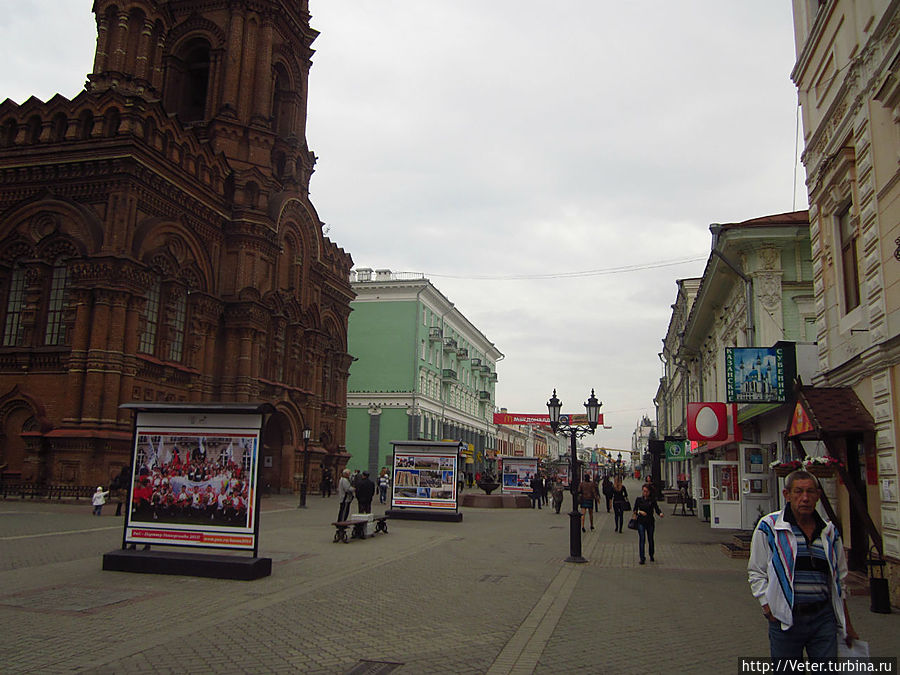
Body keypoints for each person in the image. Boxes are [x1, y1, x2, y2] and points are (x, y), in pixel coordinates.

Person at [748, 470, 858, 660]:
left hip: (823, 618)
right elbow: (756, 571)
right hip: (785, 618)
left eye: (810, 492)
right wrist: (767, 606)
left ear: (818, 495)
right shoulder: (771, 527)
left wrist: (846, 624)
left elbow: (839, 580)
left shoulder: (829, 531)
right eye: (798, 491)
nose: (805, 498)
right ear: (787, 495)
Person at [633, 482, 663, 564]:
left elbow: (656, 509)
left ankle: (651, 554)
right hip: (641, 521)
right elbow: (635, 510)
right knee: (642, 539)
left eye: (646, 491)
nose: (644, 493)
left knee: (650, 539)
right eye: (643, 491)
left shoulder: (652, 500)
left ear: (649, 492)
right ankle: (642, 558)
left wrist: (660, 513)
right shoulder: (639, 500)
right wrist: (640, 512)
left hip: (650, 522)